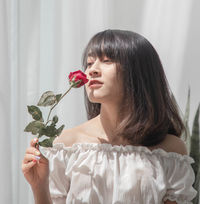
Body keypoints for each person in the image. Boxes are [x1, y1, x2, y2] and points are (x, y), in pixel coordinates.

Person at [22, 29, 197, 204]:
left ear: (139, 72)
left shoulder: (170, 152)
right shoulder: (67, 145)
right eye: (89, 63)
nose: (92, 70)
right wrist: (39, 187)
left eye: (107, 61)